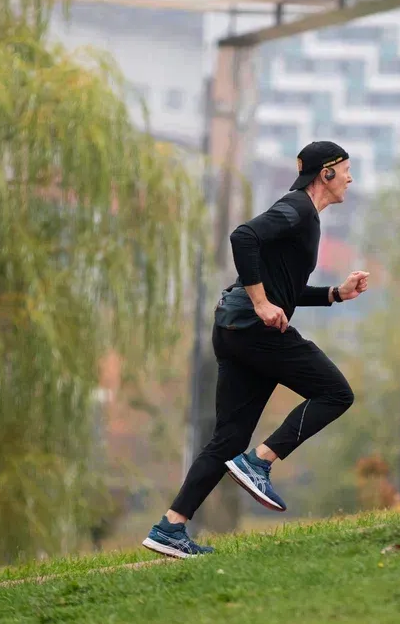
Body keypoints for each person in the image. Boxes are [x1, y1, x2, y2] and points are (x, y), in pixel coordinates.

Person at [142, 141, 370, 559]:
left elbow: (285, 287)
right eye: (347, 170)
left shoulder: (303, 216)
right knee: (336, 393)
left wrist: (336, 293)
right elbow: (242, 236)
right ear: (327, 173)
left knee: (227, 439)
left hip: (234, 328)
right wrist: (263, 305)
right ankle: (259, 463)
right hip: (252, 328)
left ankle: (170, 527)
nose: (351, 179)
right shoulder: (298, 209)